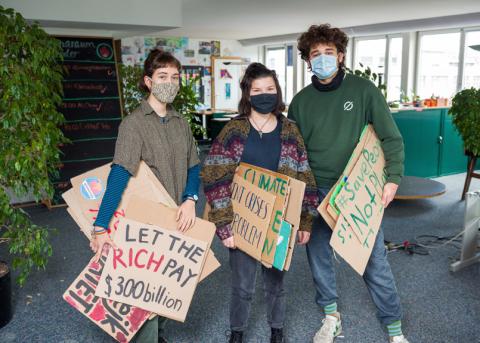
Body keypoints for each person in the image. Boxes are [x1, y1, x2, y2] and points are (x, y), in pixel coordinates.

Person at [288, 24, 409, 343]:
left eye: (330, 52)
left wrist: (393, 178)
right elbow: (294, 155)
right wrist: (299, 200)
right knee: (318, 256)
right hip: (316, 192)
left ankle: (394, 330)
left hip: (356, 191)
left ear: (340, 55)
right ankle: (331, 317)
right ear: (308, 61)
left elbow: (391, 138)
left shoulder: (363, 90)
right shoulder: (300, 102)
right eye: (316, 54)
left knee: (373, 260)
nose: (323, 58)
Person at [201, 63, 318, 343]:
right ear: (247, 94)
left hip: (280, 219)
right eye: (257, 90)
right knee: (242, 285)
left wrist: (305, 220)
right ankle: (237, 332)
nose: (264, 94)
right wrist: (224, 226)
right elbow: (215, 176)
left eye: (270, 89)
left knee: (275, 283)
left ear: (277, 92)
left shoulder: (290, 129)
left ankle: (276, 330)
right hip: (242, 220)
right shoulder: (233, 130)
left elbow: (304, 175)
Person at [89, 49, 201, 343]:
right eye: (163, 76)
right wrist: (100, 226)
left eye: (175, 77)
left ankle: (161, 335)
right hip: (145, 225)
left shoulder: (181, 122)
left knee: (167, 287)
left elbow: (194, 166)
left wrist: (191, 199)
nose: (170, 83)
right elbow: (118, 175)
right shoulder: (134, 124)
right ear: (148, 81)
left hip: (177, 218)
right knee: (144, 300)